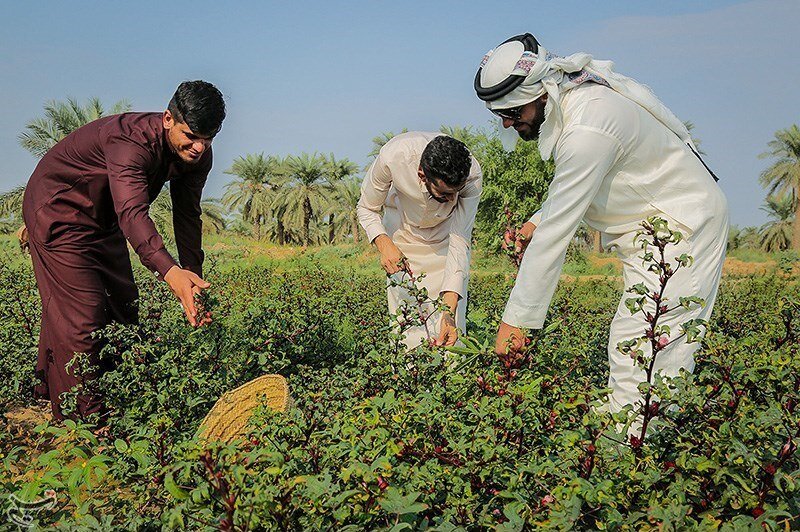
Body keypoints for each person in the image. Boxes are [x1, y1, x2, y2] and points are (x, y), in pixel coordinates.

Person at [474, 33, 728, 413]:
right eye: (502, 116)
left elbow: (557, 236)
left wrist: (516, 322)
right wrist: (534, 223)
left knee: (646, 346)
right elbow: (574, 188)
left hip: (682, 228)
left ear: (543, 93)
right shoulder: (577, 105)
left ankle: (634, 454)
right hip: (656, 227)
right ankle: (626, 438)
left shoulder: (587, 128)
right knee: (640, 345)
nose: (509, 125)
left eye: (514, 113)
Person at [22, 80, 226, 421]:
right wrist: (169, 271)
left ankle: (98, 396)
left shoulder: (196, 156)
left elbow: (187, 216)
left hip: (103, 220)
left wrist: (192, 280)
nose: (199, 147)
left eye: (208, 138)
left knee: (123, 310)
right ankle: (83, 423)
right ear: (167, 119)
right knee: (83, 317)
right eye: (191, 136)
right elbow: (133, 213)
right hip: (58, 211)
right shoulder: (129, 141)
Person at [358, 132, 482, 349]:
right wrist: (384, 244)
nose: (452, 200)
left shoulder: (472, 175)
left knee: (451, 338)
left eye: (456, 193)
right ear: (422, 175)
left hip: (446, 241)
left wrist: (449, 313)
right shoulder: (393, 156)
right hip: (402, 237)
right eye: (444, 194)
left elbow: (460, 239)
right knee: (407, 329)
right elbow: (367, 208)